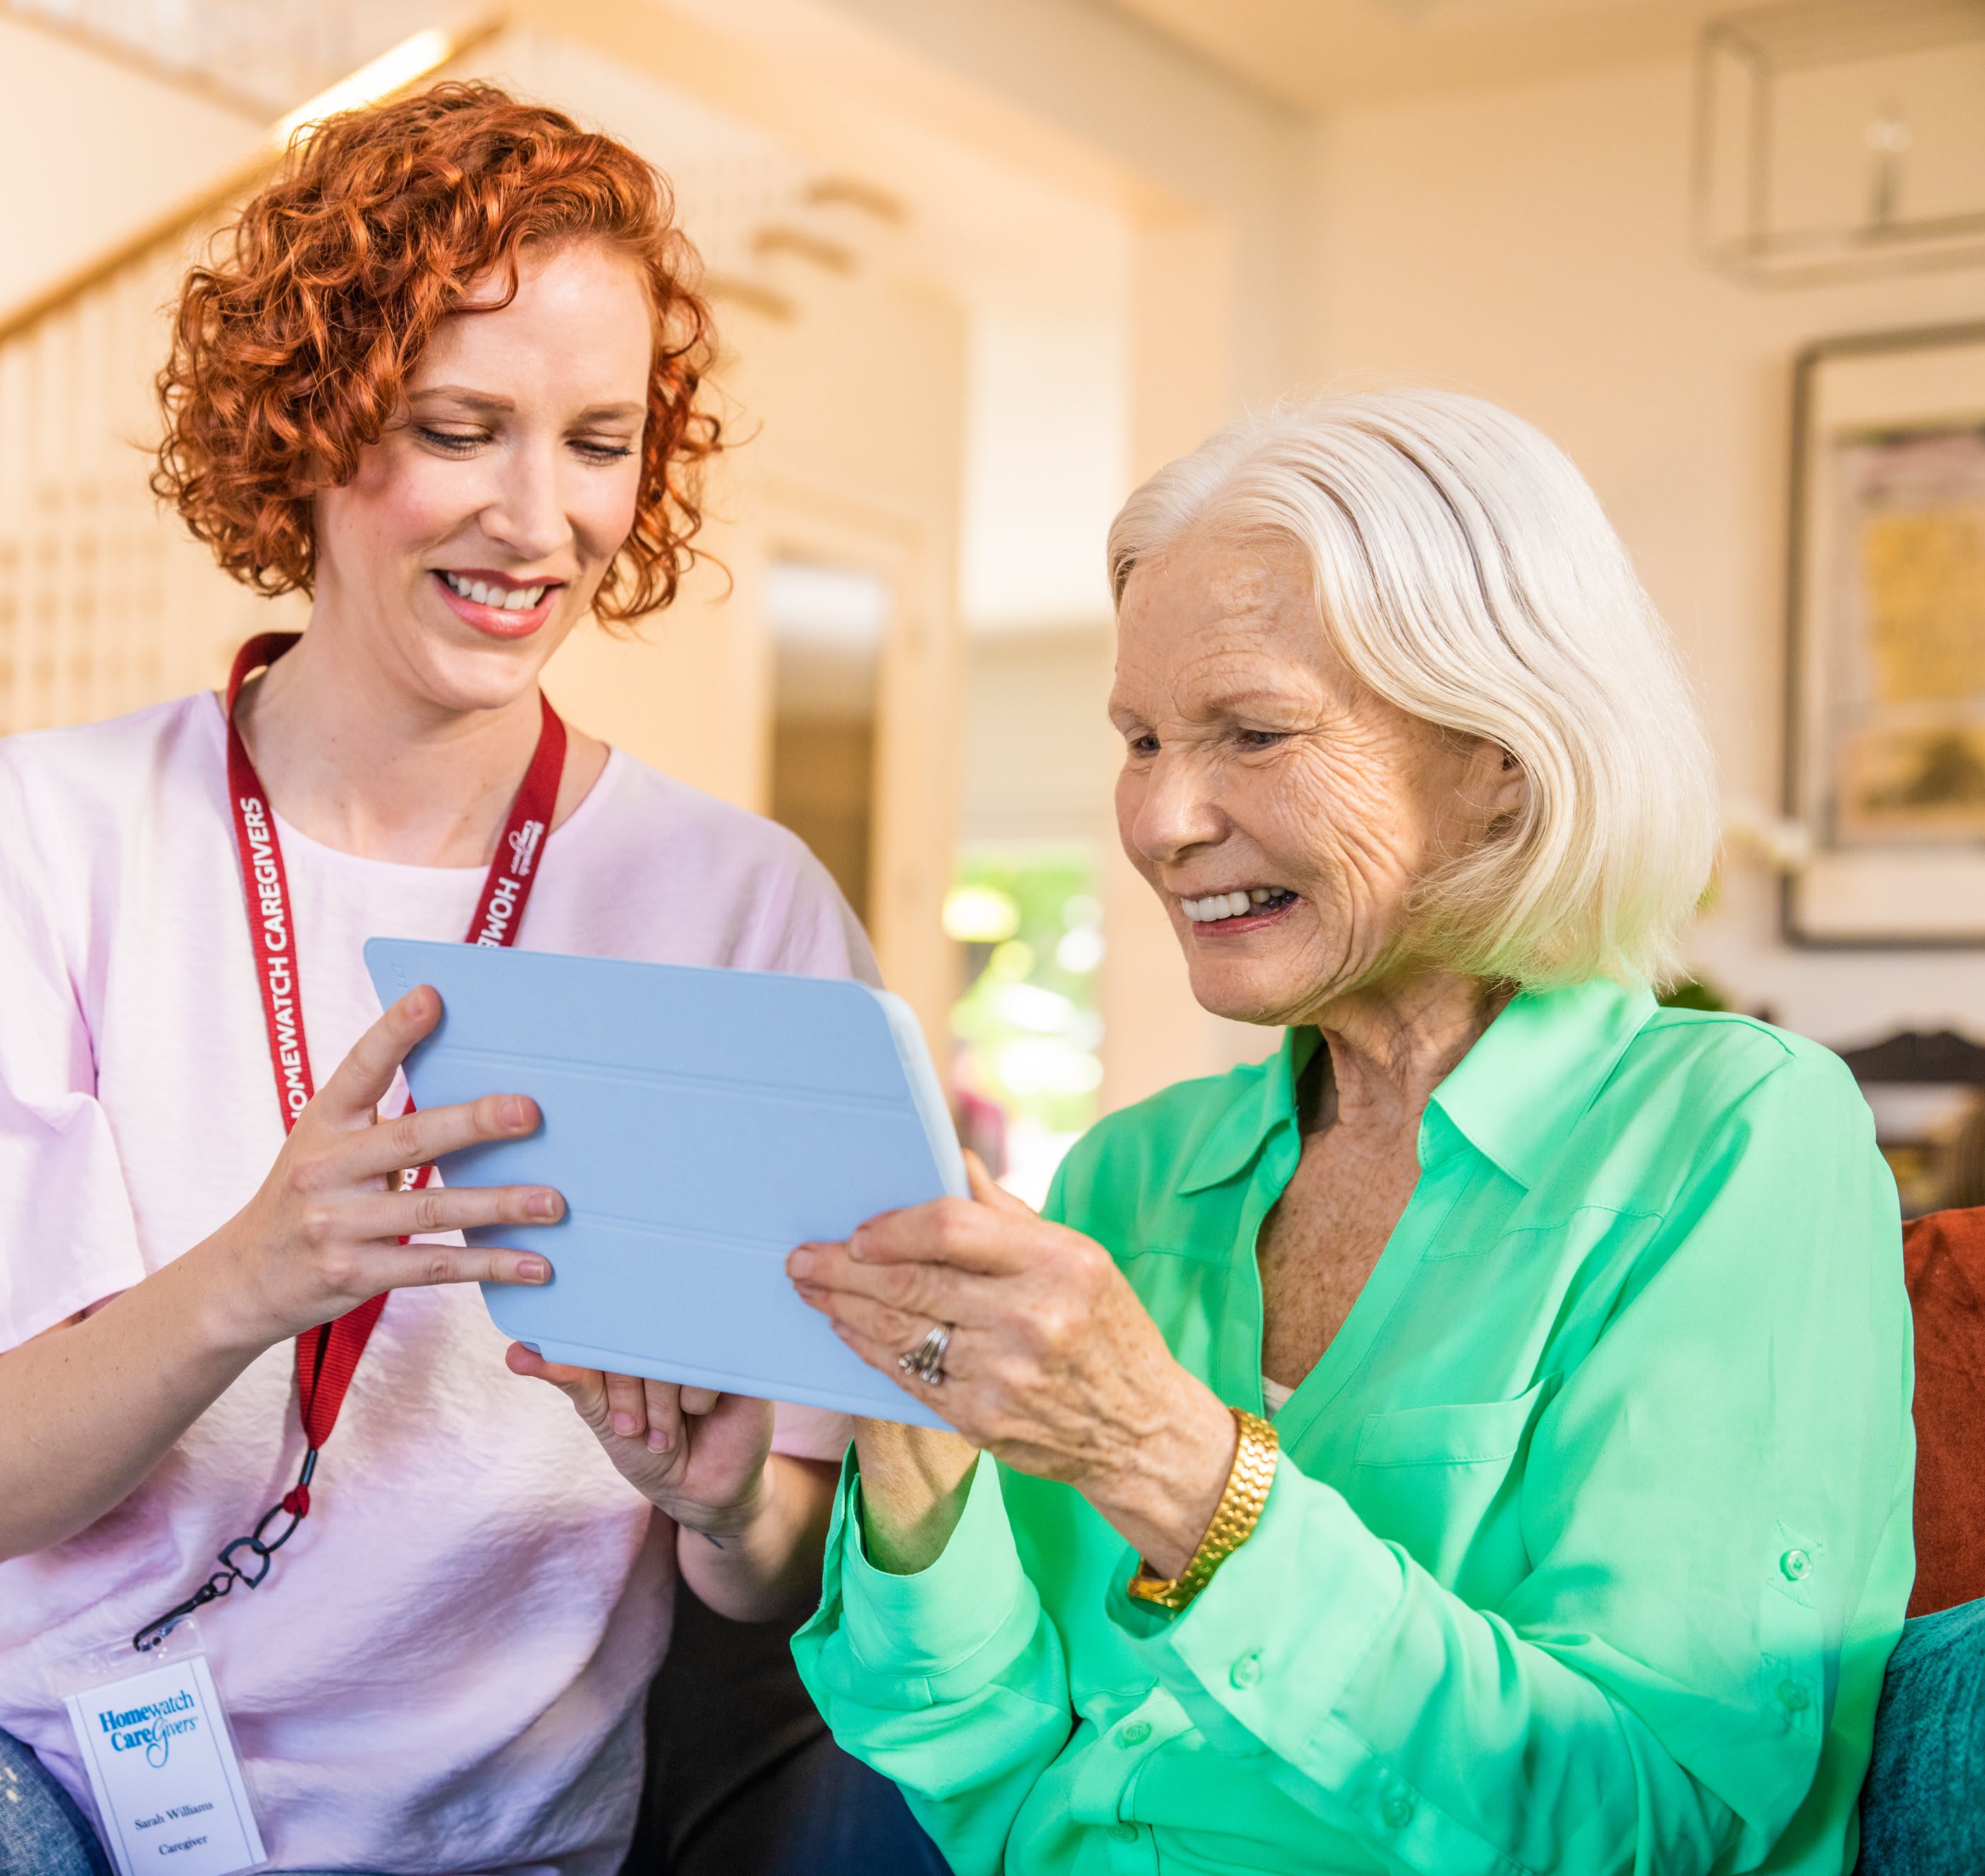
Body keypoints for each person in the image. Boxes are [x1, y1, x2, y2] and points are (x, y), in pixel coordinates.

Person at [0, 84, 886, 1876]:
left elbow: (788, 1549)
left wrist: (722, 1506)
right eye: (459, 428)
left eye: (597, 441)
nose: (537, 520)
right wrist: (253, 1274)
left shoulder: (740, 905)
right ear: (313, 426)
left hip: (477, 1838)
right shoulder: (38, 836)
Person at [786, 388, 1914, 1875]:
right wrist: (911, 1458)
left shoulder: (1728, 1133)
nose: (1163, 819)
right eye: (1137, 738)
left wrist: (1172, 1463)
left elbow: (1656, 1815)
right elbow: (993, 1774)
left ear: (1499, 757)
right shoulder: (1131, 1170)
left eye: (1249, 732)